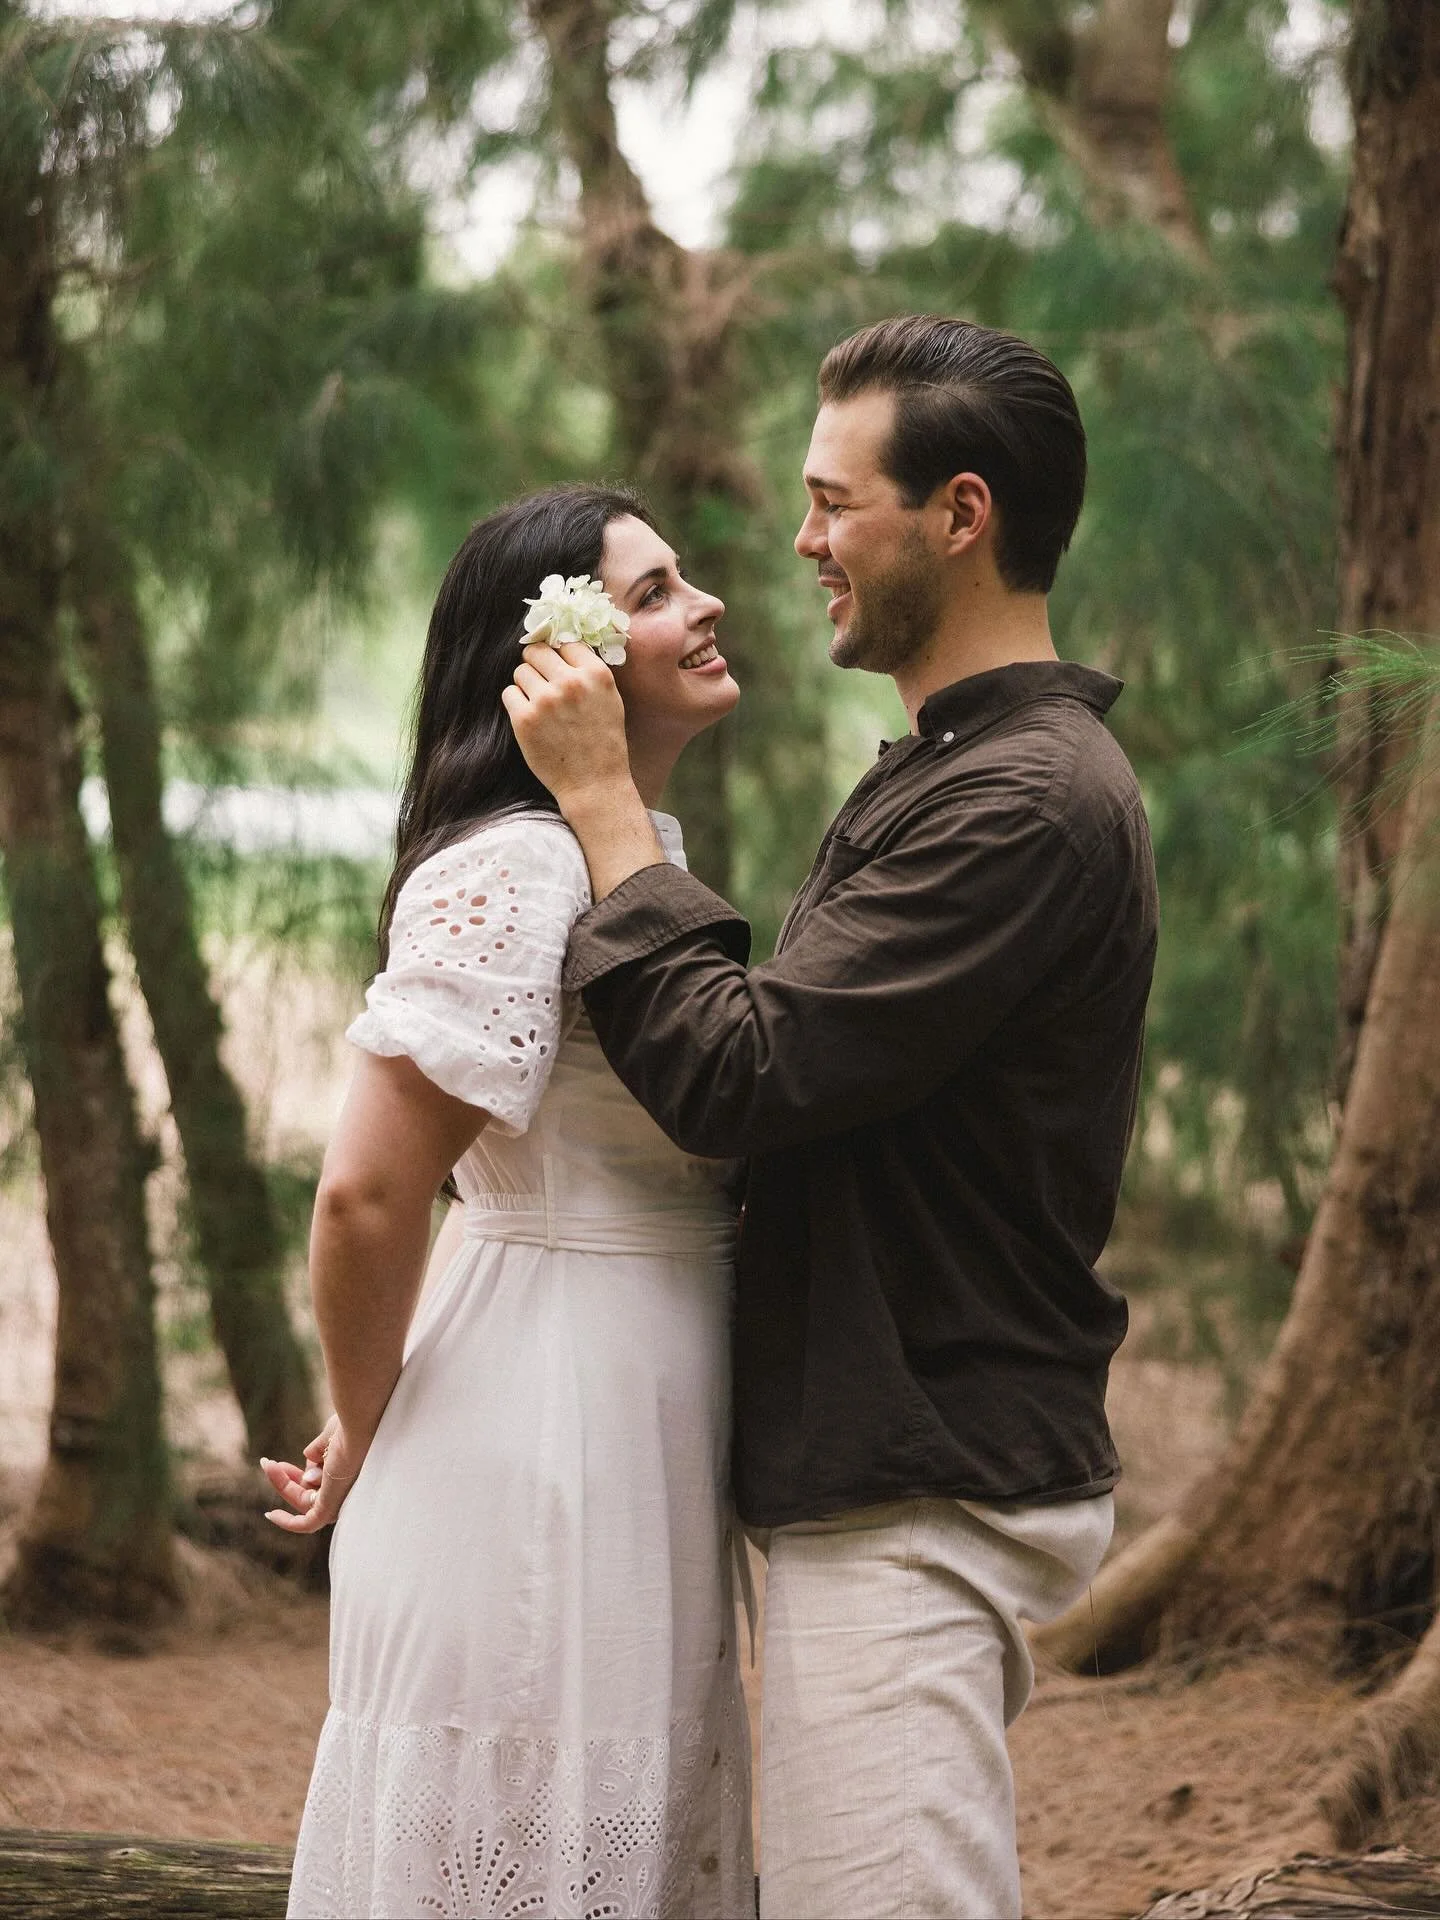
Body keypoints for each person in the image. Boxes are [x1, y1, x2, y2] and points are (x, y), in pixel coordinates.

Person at [503, 316, 1159, 1920]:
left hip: (921, 1485)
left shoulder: (1021, 802)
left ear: (961, 513)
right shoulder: (956, 769)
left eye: (832, 502)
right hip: (883, 1464)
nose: (799, 543)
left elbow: (744, 1072)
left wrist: (600, 808)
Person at [261, 484, 755, 1920]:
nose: (706, 601)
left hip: (636, 1423)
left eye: (684, 577)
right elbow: (366, 1194)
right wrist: (362, 1417)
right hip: (539, 1432)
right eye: (655, 591)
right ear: (560, 663)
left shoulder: (629, 853)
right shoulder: (519, 866)